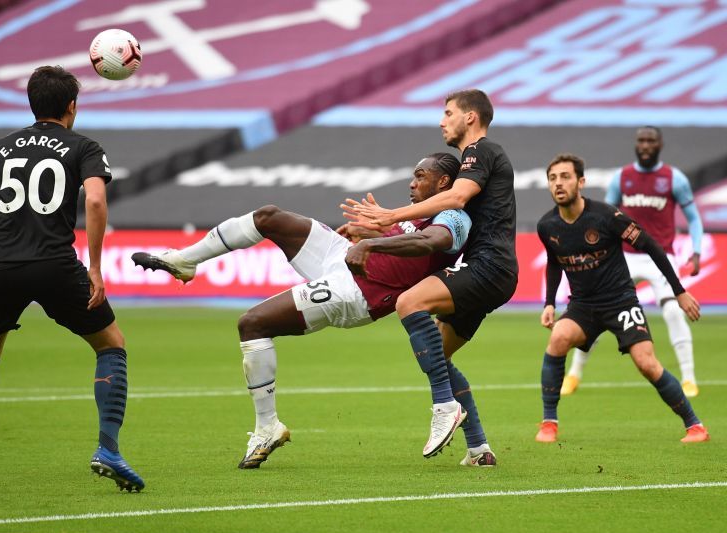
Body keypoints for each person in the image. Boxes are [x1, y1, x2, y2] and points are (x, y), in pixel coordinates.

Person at [132, 153, 472, 469]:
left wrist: (372, 241)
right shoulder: (417, 213)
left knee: (251, 324)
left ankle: (267, 428)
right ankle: (185, 260)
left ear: (443, 183)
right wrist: (372, 230)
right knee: (269, 216)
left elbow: (429, 243)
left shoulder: (453, 217)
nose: (412, 184)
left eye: (420, 176)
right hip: (339, 257)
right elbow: (405, 239)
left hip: (354, 292)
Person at [0, 66, 144, 491]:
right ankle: (108, 448)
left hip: (2, 267)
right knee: (111, 344)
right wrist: (96, 267)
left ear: (32, 103)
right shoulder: (83, 146)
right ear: (71, 106)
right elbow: (96, 202)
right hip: (55, 265)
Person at [342, 89, 517, 467]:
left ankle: (443, 407)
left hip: (489, 264)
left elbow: (455, 199)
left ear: (470, 117)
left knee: (410, 302)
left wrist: (389, 217)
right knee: (439, 353)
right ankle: (478, 448)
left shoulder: (480, 151)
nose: (442, 120)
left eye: (448, 112)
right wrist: (377, 231)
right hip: (491, 270)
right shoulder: (478, 158)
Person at [535, 154, 708, 444]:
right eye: (553, 178)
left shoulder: (606, 216)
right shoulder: (547, 226)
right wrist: (550, 303)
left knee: (647, 363)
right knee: (558, 339)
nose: (558, 184)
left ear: (581, 182)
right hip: (583, 306)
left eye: (565, 177)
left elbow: (651, 245)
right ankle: (549, 424)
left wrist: (678, 291)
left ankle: (695, 426)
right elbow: (554, 262)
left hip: (620, 302)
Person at [562, 127, 704, 398]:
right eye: (641, 140)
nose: (645, 145)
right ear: (636, 144)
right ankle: (574, 374)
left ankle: (689, 378)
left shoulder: (674, 179)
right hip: (622, 257)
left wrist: (696, 251)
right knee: (599, 313)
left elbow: (694, 218)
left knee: (674, 312)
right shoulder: (622, 178)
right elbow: (602, 217)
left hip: (660, 256)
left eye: (651, 140)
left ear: (660, 144)